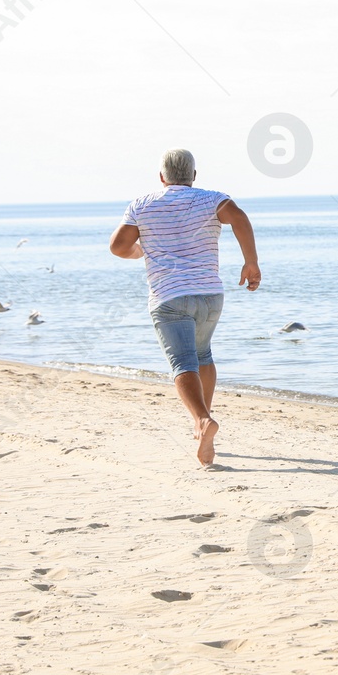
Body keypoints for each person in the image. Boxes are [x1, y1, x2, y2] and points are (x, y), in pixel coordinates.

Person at [108, 148, 260, 466]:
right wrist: (251, 263)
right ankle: (202, 420)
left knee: (183, 363)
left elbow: (118, 246)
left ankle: (203, 421)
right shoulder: (212, 199)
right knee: (202, 354)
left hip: (169, 297)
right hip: (209, 295)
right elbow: (239, 218)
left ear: (162, 177)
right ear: (193, 175)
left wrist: (140, 252)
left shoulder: (142, 204)